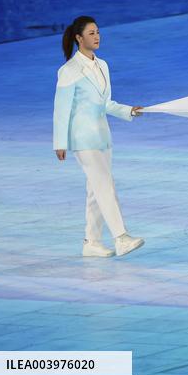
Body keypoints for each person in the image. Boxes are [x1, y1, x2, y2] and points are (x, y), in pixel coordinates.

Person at [53, 16, 145, 257]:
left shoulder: (102, 65)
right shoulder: (69, 71)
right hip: (83, 139)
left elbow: (106, 103)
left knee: (96, 189)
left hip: (102, 136)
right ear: (78, 38)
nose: (97, 37)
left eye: (98, 32)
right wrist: (59, 142)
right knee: (105, 186)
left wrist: (128, 111)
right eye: (91, 33)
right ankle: (121, 237)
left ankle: (91, 242)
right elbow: (61, 109)